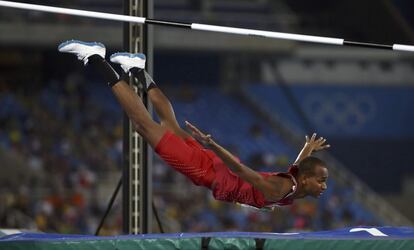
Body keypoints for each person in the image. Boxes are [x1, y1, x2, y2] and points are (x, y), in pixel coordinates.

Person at [58, 40, 330, 211]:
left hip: (218, 169)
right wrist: (212, 144)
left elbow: (297, 170)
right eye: (322, 180)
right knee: (143, 124)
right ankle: (96, 57)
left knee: (171, 126)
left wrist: (306, 149)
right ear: (307, 180)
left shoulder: (297, 184)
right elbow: (242, 171)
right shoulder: (282, 189)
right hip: (210, 172)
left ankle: (137, 69)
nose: (324, 186)